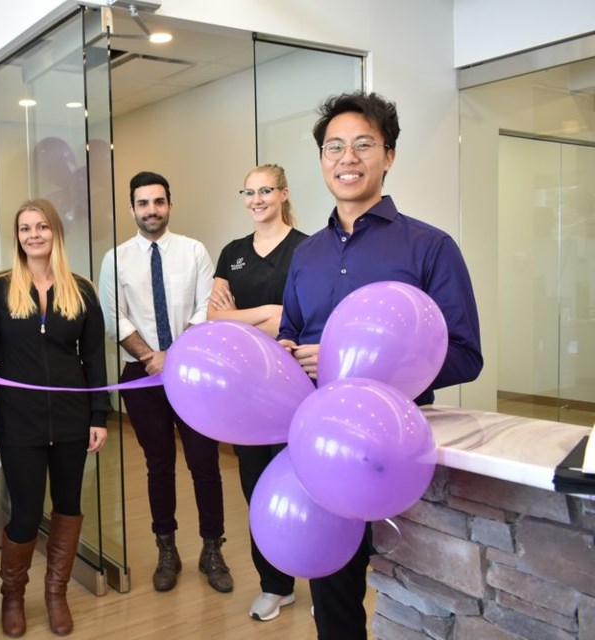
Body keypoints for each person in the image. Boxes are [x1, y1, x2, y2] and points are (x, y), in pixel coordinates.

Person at [278, 91, 483, 640]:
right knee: (334, 601)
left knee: (414, 601)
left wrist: (360, 367)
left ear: (388, 155)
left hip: (402, 454)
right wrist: (286, 356)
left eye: (363, 145)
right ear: (322, 159)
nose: (347, 158)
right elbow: (289, 335)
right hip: (323, 453)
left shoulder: (430, 248)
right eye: (334, 147)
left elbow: (465, 354)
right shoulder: (307, 255)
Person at [98, 171, 232, 595]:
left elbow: (205, 307)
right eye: (143, 203)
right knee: (159, 466)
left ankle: (213, 549)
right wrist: (150, 357)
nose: (151, 210)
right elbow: (112, 316)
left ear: (169, 205)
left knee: (205, 464)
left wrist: (173, 357)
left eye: (158, 202)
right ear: (132, 208)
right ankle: (167, 550)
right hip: (141, 375)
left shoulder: (194, 252)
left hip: (193, 370)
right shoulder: (114, 259)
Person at [0, 199, 108, 638]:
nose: (33, 234)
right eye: (25, 228)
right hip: (19, 422)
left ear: (56, 232)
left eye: (41, 226)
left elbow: (94, 358)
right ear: (17, 237)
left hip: (73, 419)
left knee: (69, 505)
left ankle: (55, 593)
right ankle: (13, 596)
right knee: (24, 513)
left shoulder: (82, 290)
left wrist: (99, 415)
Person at [207, 164, 308, 621]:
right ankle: (275, 585)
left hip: (295, 389)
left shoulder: (307, 249)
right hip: (246, 394)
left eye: (266, 190)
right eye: (249, 191)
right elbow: (214, 319)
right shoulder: (232, 252)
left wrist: (246, 316)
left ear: (283, 194)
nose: (257, 199)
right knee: (255, 486)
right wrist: (268, 311)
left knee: (303, 486)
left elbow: (299, 321)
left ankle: (322, 581)